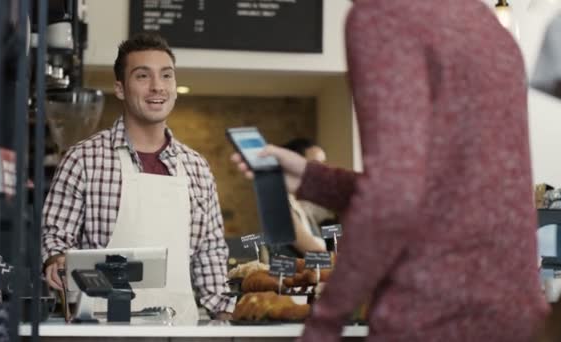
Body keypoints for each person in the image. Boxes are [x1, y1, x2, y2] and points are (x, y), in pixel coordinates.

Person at [232, 0, 548, 340]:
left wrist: (325, 322)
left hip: (431, 315)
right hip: (514, 316)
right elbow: (444, 192)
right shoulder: (485, 23)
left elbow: (393, 195)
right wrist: (312, 178)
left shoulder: (384, 15)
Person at [42, 32, 234, 322]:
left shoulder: (197, 167)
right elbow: (55, 238)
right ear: (120, 88)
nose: (158, 87)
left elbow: (211, 253)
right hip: (100, 329)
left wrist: (226, 314)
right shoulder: (82, 159)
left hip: (178, 327)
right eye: (143, 76)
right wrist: (57, 260)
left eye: (166, 76)